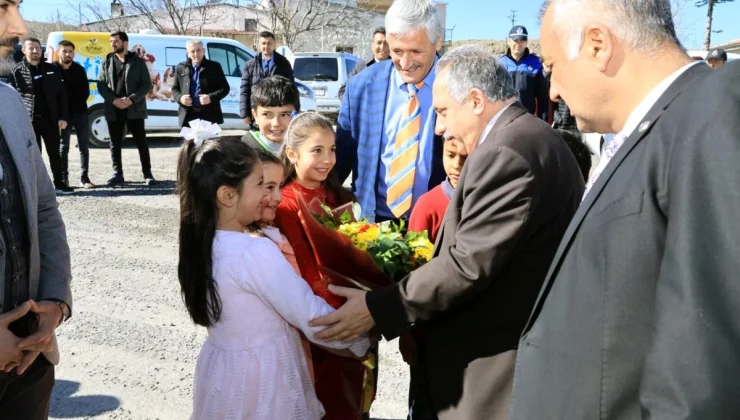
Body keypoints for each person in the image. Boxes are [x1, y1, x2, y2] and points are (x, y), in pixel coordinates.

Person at [309, 44, 585, 420]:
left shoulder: (506, 151)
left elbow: (468, 264)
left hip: (491, 364)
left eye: (441, 112)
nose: (438, 127)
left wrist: (378, 309)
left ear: (474, 100)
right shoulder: (527, 137)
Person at [506, 1, 740, 419]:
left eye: (554, 66)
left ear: (598, 45)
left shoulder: (713, 113)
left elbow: (705, 372)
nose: (553, 90)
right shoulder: (658, 126)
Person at [177, 136, 367, 420]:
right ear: (227, 195)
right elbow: (309, 314)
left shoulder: (204, 242)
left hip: (225, 371)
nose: (268, 196)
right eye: (259, 185)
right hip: (265, 377)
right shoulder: (254, 250)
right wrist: (360, 338)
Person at [0, 4, 73, 416]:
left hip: (30, 363)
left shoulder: (8, 102)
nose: (19, 28)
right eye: (1, 8)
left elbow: (44, 209)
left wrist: (55, 302)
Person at [273, 113, 370, 420]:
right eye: (317, 150)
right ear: (292, 153)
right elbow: (303, 268)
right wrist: (337, 319)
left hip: (353, 313)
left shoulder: (337, 195)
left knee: (354, 399)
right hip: (321, 324)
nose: (327, 159)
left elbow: (358, 251)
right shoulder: (285, 202)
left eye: (332, 150)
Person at [336, 0, 446, 222]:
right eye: (396, 51)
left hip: (436, 227)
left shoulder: (458, 87)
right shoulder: (361, 87)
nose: (405, 63)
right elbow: (338, 163)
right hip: (372, 228)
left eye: (415, 51)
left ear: (438, 41)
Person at [8, 37, 72, 195]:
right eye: (31, 48)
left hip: (50, 119)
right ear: (24, 50)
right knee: (33, 157)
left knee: (54, 154)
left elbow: (62, 94)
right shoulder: (17, 71)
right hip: (29, 121)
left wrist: (63, 117)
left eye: (38, 47)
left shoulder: (52, 69)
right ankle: (36, 188)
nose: (36, 50)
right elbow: (13, 98)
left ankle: (60, 184)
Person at [97, 31, 154, 187]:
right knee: (115, 143)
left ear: (125, 43)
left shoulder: (138, 61)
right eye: (111, 41)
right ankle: (117, 174)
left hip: (134, 108)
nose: (113, 44)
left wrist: (131, 100)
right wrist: (114, 100)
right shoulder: (107, 61)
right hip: (114, 108)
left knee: (141, 142)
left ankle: (147, 174)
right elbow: (101, 84)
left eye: (116, 41)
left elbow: (146, 85)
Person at [408, 137, 466, 244]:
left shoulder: (492, 198)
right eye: (450, 155)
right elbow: (415, 256)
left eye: (465, 157)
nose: (457, 165)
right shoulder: (428, 205)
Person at [53, 40, 94, 189]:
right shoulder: (52, 69)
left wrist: (78, 106)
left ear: (74, 53)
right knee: (63, 147)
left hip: (81, 113)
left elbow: (86, 91)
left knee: (84, 146)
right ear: (58, 52)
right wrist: (60, 114)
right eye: (64, 51)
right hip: (63, 116)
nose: (67, 54)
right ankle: (64, 178)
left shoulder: (79, 69)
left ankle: (85, 178)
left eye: (70, 51)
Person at [240, 31, 294, 127]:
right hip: (258, 112)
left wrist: (290, 110)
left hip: (277, 112)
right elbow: (245, 90)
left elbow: (291, 88)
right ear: (259, 45)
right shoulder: (250, 65)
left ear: (274, 44)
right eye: (263, 43)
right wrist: (245, 113)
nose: (266, 46)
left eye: (269, 43)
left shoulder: (283, 63)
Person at [171, 39, 230, 128]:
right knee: (189, 142)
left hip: (209, 116)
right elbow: (175, 89)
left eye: (198, 50)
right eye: (192, 51)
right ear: (187, 52)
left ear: (204, 51)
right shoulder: (180, 67)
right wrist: (180, 98)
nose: (196, 54)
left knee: (210, 142)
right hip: (188, 116)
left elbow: (225, 88)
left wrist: (210, 98)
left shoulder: (214, 67)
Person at [499, 25, 550, 121]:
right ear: (509, 41)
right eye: (515, 40)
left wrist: (543, 123)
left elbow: (542, 99)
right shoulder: (500, 64)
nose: (519, 44)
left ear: (526, 42)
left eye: (522, 40)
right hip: (504, 121)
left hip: (527, 120)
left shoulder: (536, 64)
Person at [241, 75, 300, 155]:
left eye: (285, 115)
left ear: (297, 116)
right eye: (267, 114)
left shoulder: (305, 152)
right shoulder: (241, 157)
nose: (276, 123)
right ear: (255, 116)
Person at [338, 27, 391, 100]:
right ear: (372, 45)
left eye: (386, 43)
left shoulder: (397, 67)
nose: (382, 47)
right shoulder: (361, 67)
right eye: (379, 43)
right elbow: (343, 91)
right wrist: (355, 106)